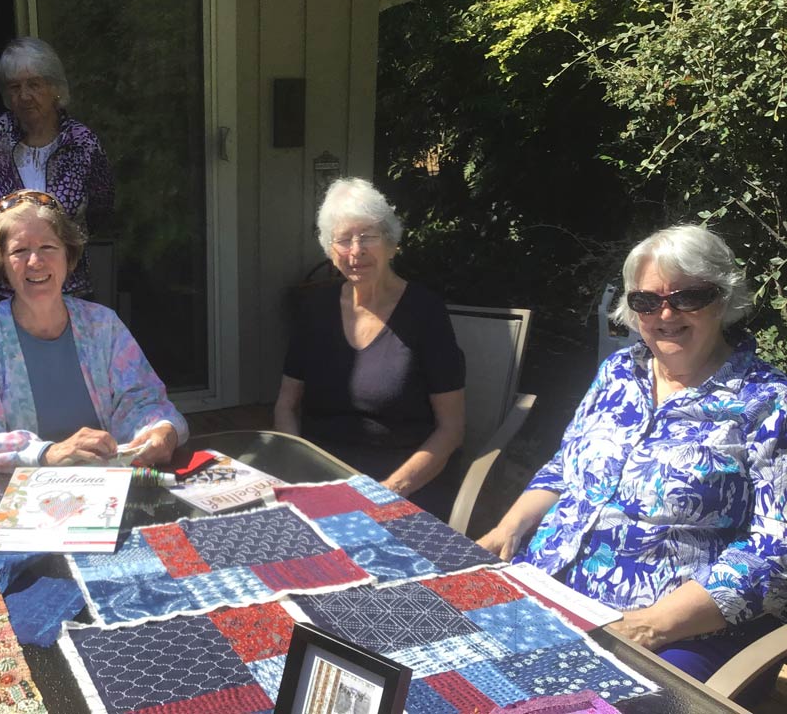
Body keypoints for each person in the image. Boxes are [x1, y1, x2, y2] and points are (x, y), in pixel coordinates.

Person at [477, 224, 787, 698]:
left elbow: (774, 550)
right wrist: (508, 529)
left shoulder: (767, 402)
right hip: (549, 584)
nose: (665, 314)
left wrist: (649, 627)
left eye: (688, 297)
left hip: (671, 628)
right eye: (646, 301)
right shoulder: (619, 372)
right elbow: (565, 466)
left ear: (723, 299)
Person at [0, 189, 185, 471]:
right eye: (20, 251)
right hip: (16, 499)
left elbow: (143, 401)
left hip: (108, 490)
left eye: (48, 247)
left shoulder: (103, 326)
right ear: (2, 265)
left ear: (68, 256)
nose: (35, 261)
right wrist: (48, 453)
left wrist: (161, 430)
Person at [273, 178, 466, 520]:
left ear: (391, 244)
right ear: (331, 251)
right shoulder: (315, 309)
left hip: (402, 483)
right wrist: (298, 473)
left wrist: (390, 491)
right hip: (321, 481)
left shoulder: (425, 312)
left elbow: (451, 429)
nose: (356, 250)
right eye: (343, 239)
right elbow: (287, 405)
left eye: (368, 236)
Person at [0, 37, 114, 314]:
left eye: (34, 84)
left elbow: (101, 206)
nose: (24, 95)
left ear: (55, 89)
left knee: (66, 355)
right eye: (14, 87)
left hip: (66, 284)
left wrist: (65, 242)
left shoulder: (83, 144)